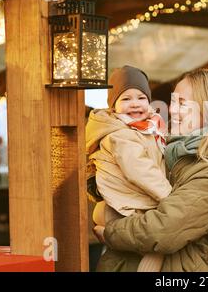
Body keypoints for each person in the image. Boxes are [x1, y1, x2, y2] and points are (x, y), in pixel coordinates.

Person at [94, 69, 208, 271]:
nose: (172, 110)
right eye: (173, 102)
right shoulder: (164, 148)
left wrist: (110, 232)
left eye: (182, 104)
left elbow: (164, 230)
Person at [86, 65, 172, 272]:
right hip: (123, 206)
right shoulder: (119, 135)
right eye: (126, 99)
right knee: (164, 239)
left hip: (134, 203)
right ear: (113, 105)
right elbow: (141, 170)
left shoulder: (149, 128)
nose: (135, 104)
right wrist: (170, 197)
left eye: (141, 98)